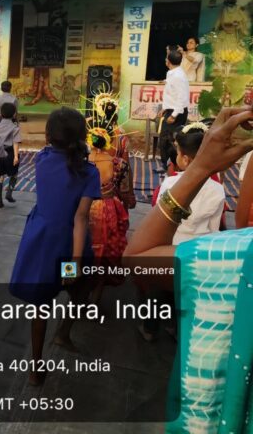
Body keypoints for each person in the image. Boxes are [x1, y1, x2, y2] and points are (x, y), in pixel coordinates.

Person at [123, 107, 253, 434]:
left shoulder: (171, 184)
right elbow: (218, 223)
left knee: (157, 297)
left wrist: (199, 170)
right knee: (186, 308)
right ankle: (174, 328)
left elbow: (138, 256)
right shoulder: (219, 191)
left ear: (183, 157)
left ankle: (150, 327)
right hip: (202, 249)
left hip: (180, 254)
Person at [9, 107, 100, 386]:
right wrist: (75, 261)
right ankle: (63, 333)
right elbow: (80, 219)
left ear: (48, 136)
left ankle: (36, 367)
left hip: (42, 240)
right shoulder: (89, 172)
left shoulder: (42, 159)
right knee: (79, 290)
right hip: (69, 244)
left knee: (41, 305)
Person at [156, 123, 225, 244]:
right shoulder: (218, 189)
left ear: (185, 159)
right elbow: (214, 228)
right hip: (201, 245)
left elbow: (159, 219)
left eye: (178, 153)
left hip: (171, 243)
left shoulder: (169, 183)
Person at [86, 126, 133, 300]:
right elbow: (125, 191)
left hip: (83, 209)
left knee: (79, 247)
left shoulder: (80, 163)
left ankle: (76, 293)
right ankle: (96, 298)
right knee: (105, 252)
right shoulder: (119, 164)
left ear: (89, 142)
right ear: (109, 142)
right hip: (108, 209)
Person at [159, 48, 190, 170]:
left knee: (169, 140)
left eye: (166, 58)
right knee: (165, 139)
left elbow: (181, 97)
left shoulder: (178, 76)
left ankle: (171, 167)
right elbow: (172, 92)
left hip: (177, 112)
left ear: (168, 61)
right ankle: (167, 165)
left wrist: (174, 115)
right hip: (171, 109)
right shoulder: (173, 73)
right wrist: (165, 108)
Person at [0, 102, 22, 203]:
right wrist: (16, 156)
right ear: (14, 114)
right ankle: (9, 193)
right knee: (14, 174)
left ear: (0, 113)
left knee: (0, 176)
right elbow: (15, 142)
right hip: (10, 153)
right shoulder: (15, 127)